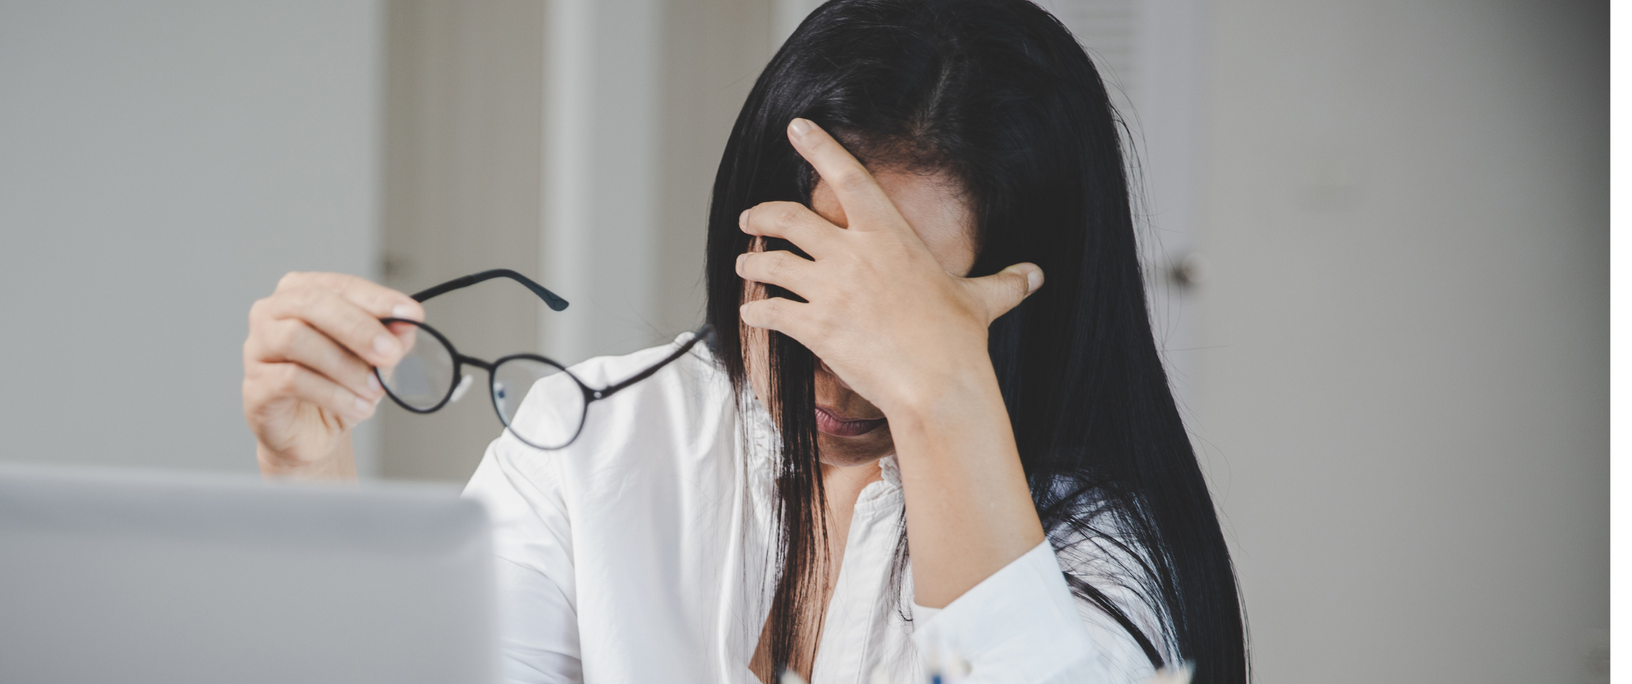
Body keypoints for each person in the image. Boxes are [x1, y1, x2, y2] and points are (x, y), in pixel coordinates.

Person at [241, 0, 1247, 682]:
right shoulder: (593, 438)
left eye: (904, 314)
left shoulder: (1090, 553)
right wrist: (311, 477)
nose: (847, 370)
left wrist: (945, 403)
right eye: (810, 278)